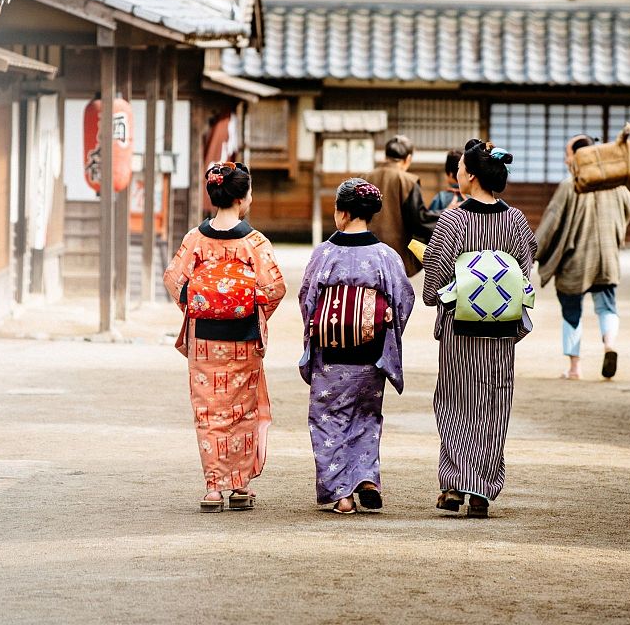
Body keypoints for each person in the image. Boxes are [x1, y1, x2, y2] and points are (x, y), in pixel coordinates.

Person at [422, 140, 537, 518]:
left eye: (459, 169)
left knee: (455, 401)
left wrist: (441, 296)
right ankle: (482, 490)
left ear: (469, 175)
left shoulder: (452, 221)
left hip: (460, 328)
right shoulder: (516, 220)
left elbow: (433, 283)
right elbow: (525, 270)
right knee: (493, 402)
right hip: (502, 328)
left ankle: (456, 481)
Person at [163, 161, 286, 512]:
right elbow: (274, 287)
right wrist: (247, 306)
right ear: (244, 197)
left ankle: (213, 488)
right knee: (241, 410)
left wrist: (201, 305)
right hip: (243, 335)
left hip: (205, 339)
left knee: (208, 411)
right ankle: (240, 486)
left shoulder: (195, 239)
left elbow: (174, 280)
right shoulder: (254, 242)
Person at [299, 178, 414, 514]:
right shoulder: (386, 256)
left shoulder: (324, 254)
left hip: (333, 354)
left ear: (343, 213)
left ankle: (342, 494)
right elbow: (403, 300)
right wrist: (384, 327)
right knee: (366, 415)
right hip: (370, 354)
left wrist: (321, 327)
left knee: (328, 419)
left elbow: (308, 300)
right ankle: (365, 476)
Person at [535, 134, 630, 381]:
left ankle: (575, 367)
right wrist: (615, 232)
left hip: (575, 261)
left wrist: (532, 250)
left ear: (579, 156)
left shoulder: (571, 184)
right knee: (607, 306)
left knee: (572, 311)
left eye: (567, 153)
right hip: (606, 259)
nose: (565, 158)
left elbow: (551, 223)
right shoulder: (614, 183)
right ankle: (609, 345)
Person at [364, 135, 440, 276]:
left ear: (385, 156)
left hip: (364, 254)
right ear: (408, 159)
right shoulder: (408, 181)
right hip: (395, 255)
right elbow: (419, 220)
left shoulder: (364, 178)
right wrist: (447, 214)